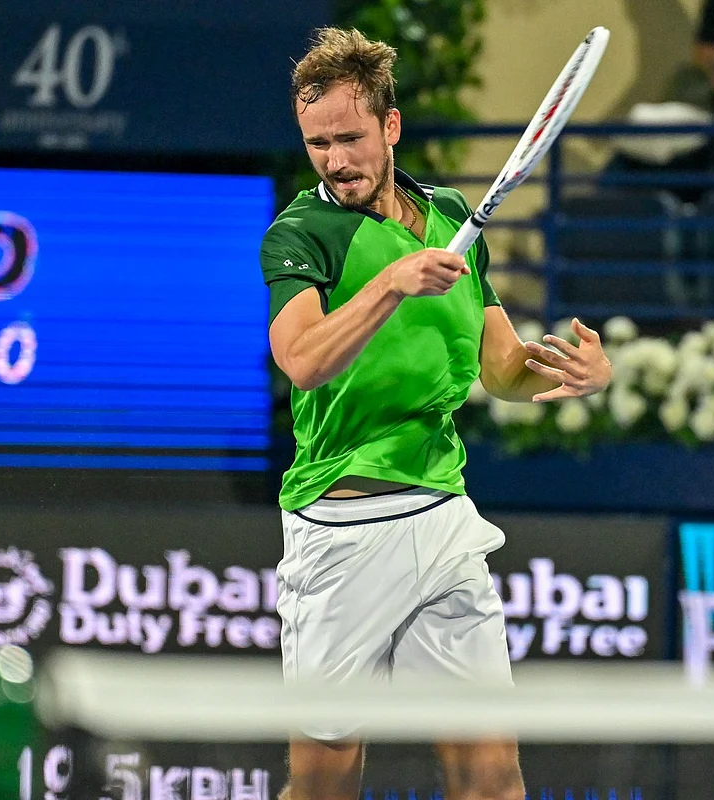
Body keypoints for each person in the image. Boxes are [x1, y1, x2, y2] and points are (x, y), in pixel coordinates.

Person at [259, 27, 613, 800]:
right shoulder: (302, 233)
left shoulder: (452, 215)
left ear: (390, 126)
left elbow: (501, 369)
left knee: (491, 779)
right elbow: (304, 360)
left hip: (443, 518)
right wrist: (390, 284)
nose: (335, 160)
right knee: (323, 787)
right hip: (340, 533)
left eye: (350, 138)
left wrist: (572, 374)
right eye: (318, 143)